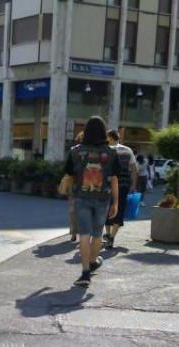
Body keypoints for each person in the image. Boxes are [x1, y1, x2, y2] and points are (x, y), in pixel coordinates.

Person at [64, 116, 120, 288]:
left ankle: (85, 273)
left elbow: (69, 174)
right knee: (97, 235)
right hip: (103, 199)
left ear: (86, 131)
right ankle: (94, 261)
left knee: (84, 235)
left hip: (81, 198)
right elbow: (114, 179)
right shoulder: (111, 153)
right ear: (104, 132)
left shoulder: (75, 151)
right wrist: (116, 202)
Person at [104, 130, 138, 249]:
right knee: (119, 209)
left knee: (107, 209)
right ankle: (112, 237)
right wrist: (133, 185)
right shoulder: (128, 150)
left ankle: (107, 234)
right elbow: (134, 169)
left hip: (107, 185)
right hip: (123, 185)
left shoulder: (105, 150)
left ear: (109, 137)